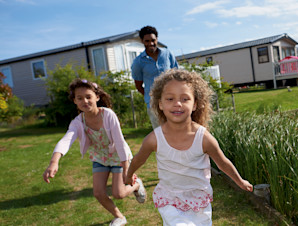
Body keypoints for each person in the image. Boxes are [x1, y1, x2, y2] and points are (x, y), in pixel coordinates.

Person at [125, 70, 253, 225]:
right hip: (170, 200)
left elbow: (222, 162)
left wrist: (240, 181)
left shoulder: (203, 138)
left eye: (185, 99)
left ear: (195, 105)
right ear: (160, 104)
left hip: (199, 201)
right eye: (170, 98)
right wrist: (129, 174)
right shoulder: (154, 139)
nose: (177, 103)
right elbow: (139, 159)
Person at [43, 79, 146, 226]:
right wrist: (54, 162)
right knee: (98, 193)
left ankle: (137, 185)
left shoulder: (108, 115)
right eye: (79, 98)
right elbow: (66, 140)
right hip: (100, 157)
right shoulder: (77, 122)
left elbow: (120, 142)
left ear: (97, 97)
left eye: (88, 96)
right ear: (75, 101)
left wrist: (126, 169)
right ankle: (120, 217)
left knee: (119, 194)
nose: (85, 101)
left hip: (118, 156)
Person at [131, 25, 179, 128]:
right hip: (154, 105)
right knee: (161, 135)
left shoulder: (167, 54)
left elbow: (177, 75)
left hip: (173, 101)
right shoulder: (138, 62)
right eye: (147, 41)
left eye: (153, 40)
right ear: (142, 41)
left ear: (157, 39)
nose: (151, 43)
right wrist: (152, 96)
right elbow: (139, 86)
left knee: (177, 131)